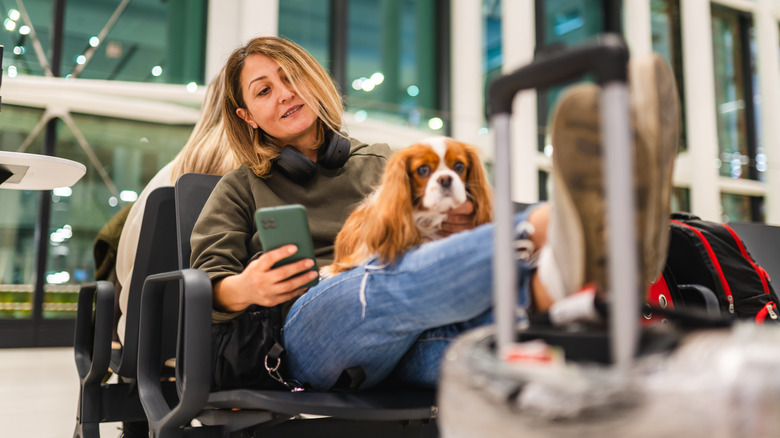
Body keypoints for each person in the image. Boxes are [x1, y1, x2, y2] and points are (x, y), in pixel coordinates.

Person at [190, 36, 679, 390]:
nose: (285, 93)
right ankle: (562, 229)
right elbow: (202, 286)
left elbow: (437, 245)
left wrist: (457, 229)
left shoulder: (384, 162)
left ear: (314, 81)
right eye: (263, 90)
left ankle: (570, 279)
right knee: (380, 275)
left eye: (291, 77)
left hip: (410, 339)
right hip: (304, 334)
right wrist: (244, 288)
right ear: (247, 118)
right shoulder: (239, 188)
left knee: (490, 343)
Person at [114, 67, 241, 344]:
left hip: (148, 342)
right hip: (228, 349)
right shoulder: (261, 181)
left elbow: (126, 272)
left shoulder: (165, 178)